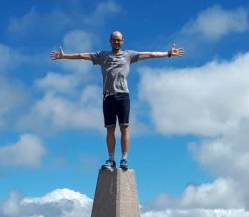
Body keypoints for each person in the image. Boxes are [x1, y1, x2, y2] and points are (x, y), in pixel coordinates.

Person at [50, 30, 184, 170]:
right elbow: (83, 56)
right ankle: (111, 159)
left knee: (124, 128)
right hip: (108, 96)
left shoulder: (128, 55)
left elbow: (149, 54)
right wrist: (64, 56)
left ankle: (124, 159)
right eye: (114, 40)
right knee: (110, 130)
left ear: (123, 41)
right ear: (110, 41)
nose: (116, 42)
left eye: (118, 40)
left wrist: (168, 53)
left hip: (123, 95)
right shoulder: (102, 56)